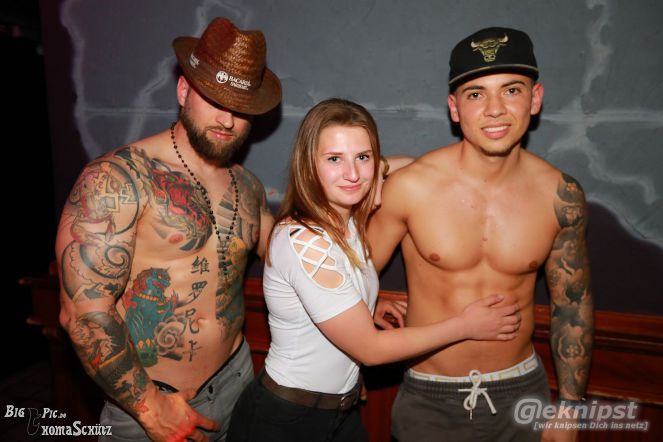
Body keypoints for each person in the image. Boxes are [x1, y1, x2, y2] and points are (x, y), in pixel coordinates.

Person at [226, 98, 522, 442]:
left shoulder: (345, 214)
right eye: (334, 159)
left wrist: (362, 304)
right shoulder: (305, 241)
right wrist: (466, 325)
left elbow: (409, 165)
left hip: (341, 411)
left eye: (362, 157)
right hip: (286, 419)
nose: (352, 174)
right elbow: (370, 350)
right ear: (308, 166)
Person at [55, 17, 281, 441]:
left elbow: (290, 256)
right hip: (150, 403)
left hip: (238, 381)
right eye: (214, 100)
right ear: (183, 91)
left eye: (240, 108)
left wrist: (356, 297)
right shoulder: (119, 178)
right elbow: (83, 313)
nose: (227, 120)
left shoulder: (247, 187)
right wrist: (151, 408)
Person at [368, 27, 594, 442]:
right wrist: (370, 299)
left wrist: (570, 408)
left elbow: (572, 305)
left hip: (522, 393)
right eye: (476, 94)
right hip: (429, 400)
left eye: (511, 90)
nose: (494, 109)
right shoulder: (411, 187)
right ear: (455, 108)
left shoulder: (560, 195)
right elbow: (346, 280)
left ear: (535, 99)